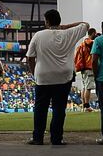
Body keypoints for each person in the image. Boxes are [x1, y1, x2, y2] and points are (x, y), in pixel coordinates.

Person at [23, 10, 89, 146]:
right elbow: (86, 25)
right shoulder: (68, 33)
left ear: (47, 21)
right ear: (59, 21)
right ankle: (56, 138)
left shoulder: (39, 35)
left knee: (40, 109)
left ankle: (38, 138)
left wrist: (34, 72)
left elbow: (30, 57)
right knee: (59, 109)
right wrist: (63, 27)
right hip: (63, 77)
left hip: (43, 76)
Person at [73, 28, 98, 111]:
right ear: (93, 33)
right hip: (88, 67)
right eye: (96, 34)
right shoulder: (89, 42)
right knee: (88, 87)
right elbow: (94, 42)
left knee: (84, 87)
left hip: (83, 68)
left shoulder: (83, 43)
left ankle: (85, 105)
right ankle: (87, 106)